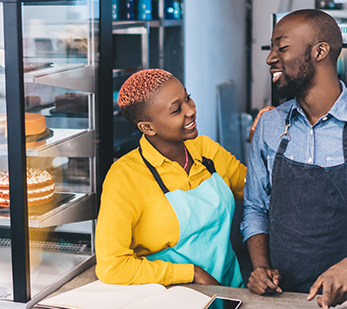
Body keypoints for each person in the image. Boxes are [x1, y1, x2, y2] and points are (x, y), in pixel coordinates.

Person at [242, 9, 347, 309]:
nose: (270, 58)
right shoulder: (269, 126)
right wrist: (259, 267)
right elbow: (255, 209)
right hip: (282, 301)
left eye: (281, 48)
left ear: (320, 51)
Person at [95, 69, 246, 287]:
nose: (191, 110)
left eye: (188, 98)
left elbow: (259, 193)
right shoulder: (125, 177)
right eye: (177, 110)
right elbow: (112, 267)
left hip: (231, 292)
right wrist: (191, 273)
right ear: (147, 127)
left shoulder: (206, 150)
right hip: (172, 301)